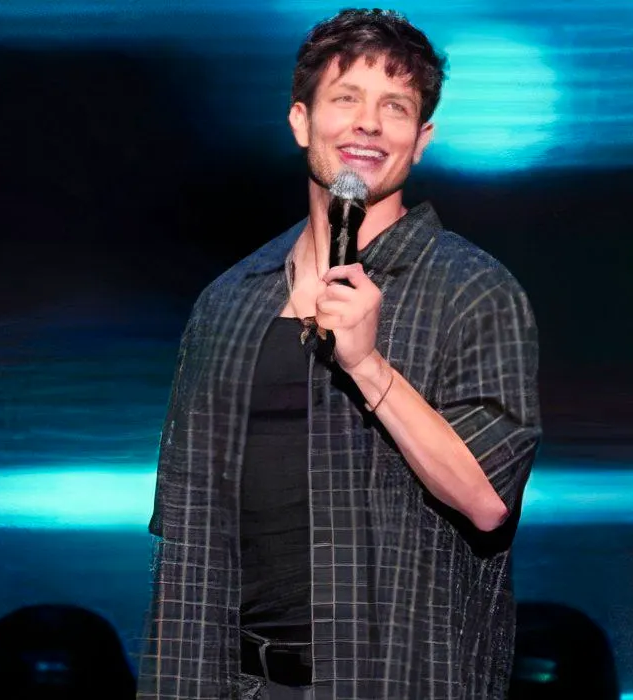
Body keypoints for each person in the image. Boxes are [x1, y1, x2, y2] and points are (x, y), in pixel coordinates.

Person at [140, 8, 541, 699]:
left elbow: (487, 501)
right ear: (301, 120)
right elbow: (188, 527)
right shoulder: (230, 299)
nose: (367, 124)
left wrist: (368, 365)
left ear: (420, 140)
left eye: (395, 107)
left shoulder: (473, 291)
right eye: (345, 99)